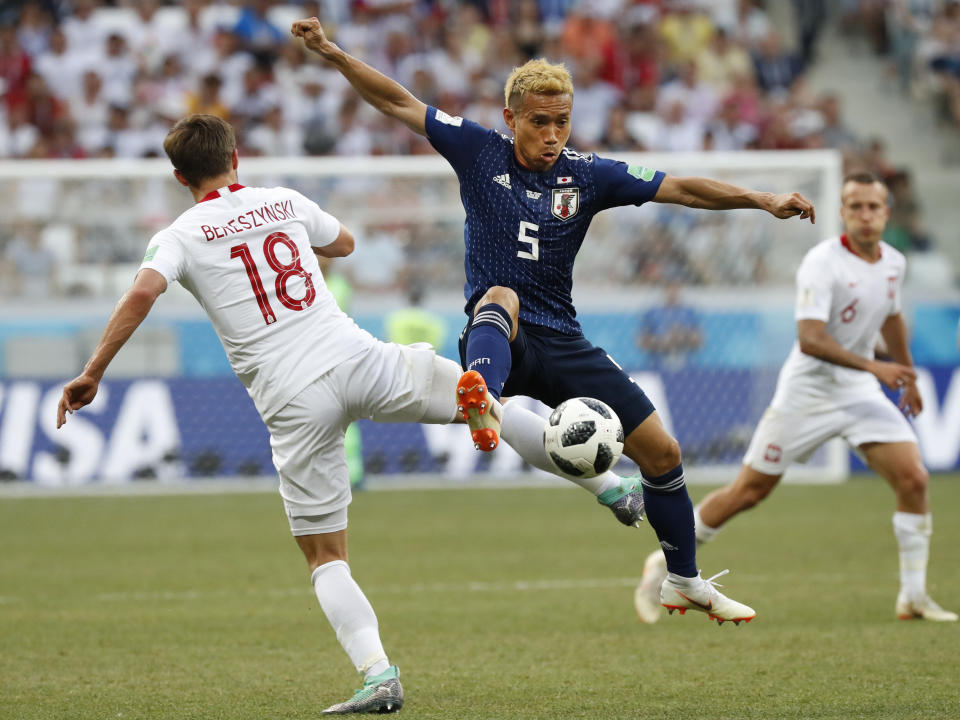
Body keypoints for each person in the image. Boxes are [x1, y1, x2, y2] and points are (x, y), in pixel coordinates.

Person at [54, 115, 622, 715]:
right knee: (485, 403)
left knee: (326, 558)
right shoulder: (281, 200)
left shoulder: (180, 234)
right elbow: (345, 243)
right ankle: (612, 486)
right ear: (236, 158)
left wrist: (92, 371)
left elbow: (143, 291)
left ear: (179, 176)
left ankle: (379, 675)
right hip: (356, 357)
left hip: (292, 399)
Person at [292, 16, 817, 625]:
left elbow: (684, 190)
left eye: (561, 121)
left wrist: (762, 199)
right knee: (501, 296)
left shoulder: (588, 175)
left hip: (563, 340)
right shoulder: (477, 149)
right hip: (498, 332)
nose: (551, 133)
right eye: (539, 121)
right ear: (511, 116)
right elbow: (396, 100)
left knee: (663, 452)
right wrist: (332, 53)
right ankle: (481, 396)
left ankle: (683, 580)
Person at [635, 172, 958, 624]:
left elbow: (892, 317)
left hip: (860, 392)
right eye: (856, 207)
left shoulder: (894, 263)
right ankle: (662, 564)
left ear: (886, 213)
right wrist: (876, 366)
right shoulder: (822, 262)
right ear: (843, 213)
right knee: (748, 492)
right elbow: (810, 339)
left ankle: (914, 596)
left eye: (874, 207)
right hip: (807, 392)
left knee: (914, 481)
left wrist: (907, 375)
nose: (865, 215)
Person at [637, 280, 703, 369]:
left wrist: (682, 337)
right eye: (670, 288)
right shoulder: (652, 313)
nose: (673, 292)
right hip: (657, 365)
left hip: (686, 366)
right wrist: (662, 341)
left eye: (676, 288)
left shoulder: (688, 312)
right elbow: (642, 341)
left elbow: (699, 340)